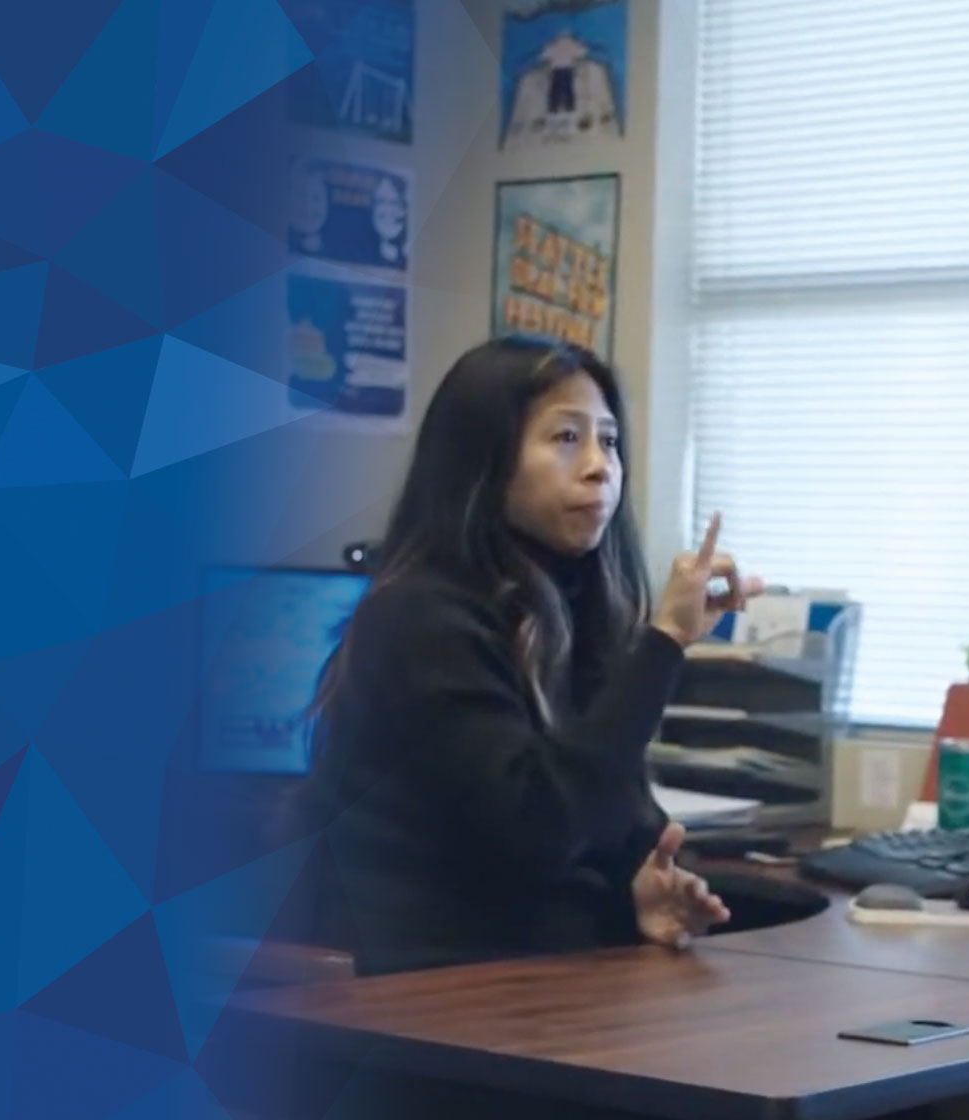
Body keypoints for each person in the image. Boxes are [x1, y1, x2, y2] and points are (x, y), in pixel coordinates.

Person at [298, 337, 758, 977]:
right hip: (429, 1004)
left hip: (544, 983)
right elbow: (537, 829)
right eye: (566, 438)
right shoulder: (418, 618)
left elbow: (609, 808)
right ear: (483, 462)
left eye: (609, 441)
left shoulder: (576, 607)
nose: (599, 466)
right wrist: (663, 644)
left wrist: (636, 890)